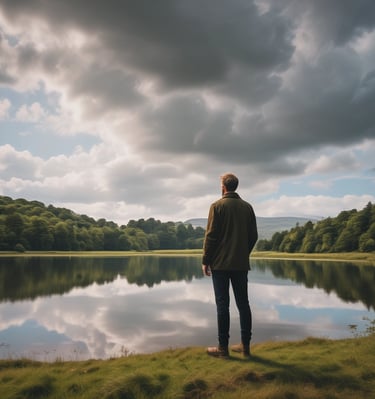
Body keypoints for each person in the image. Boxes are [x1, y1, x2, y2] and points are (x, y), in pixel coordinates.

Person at [202, 173, 258, 358]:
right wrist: (243, 253)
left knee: (222, 305)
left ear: (223, 187)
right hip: (240, 264)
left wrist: (206, 260)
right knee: (244, 304)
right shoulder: (247, 207)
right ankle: (246, 348)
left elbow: (211, 236)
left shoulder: (216, 206)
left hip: (220, 265)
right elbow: (253, 236)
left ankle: (223, 349)